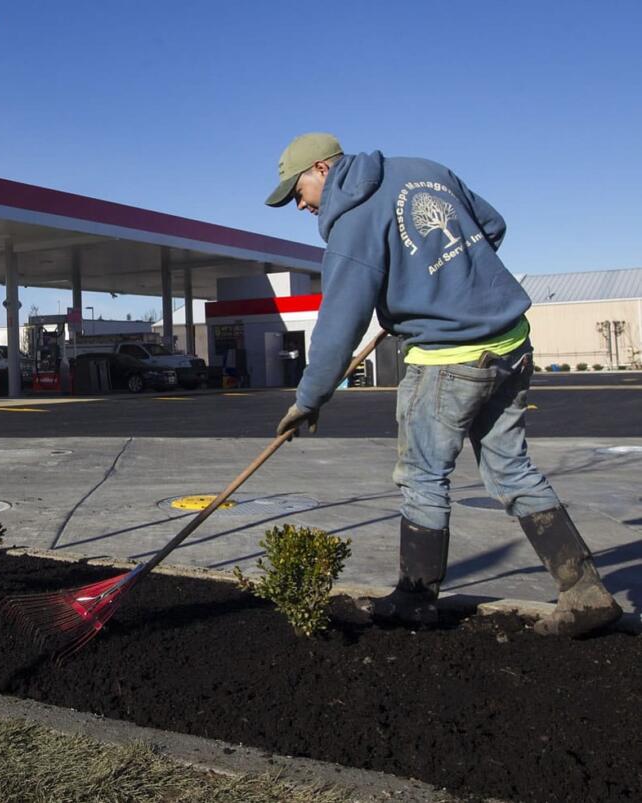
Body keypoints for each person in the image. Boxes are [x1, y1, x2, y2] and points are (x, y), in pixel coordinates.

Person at [264, 132, 621, 636]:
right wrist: (441, 281)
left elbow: (339, 323)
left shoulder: (352, 222)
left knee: (423, 478)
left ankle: (415, 598)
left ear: (322, 168)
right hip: (511, 342)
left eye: (296, 190)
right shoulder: (423, 167)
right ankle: (584, 592)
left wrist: (309, 398)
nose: (297, 203)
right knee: (512, 469)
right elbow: (492, 225)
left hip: (448, 359)